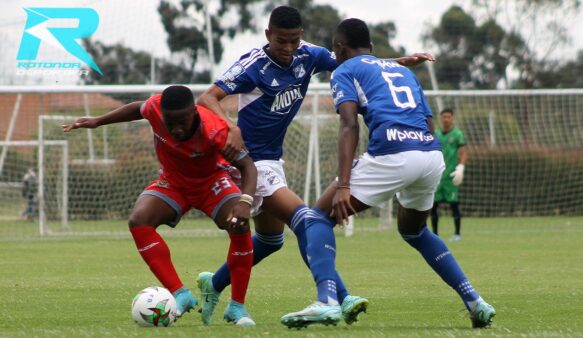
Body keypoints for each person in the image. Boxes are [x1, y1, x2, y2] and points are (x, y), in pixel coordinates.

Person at [197, 5, 434, 326]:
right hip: (250, 161)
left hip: (272, 158)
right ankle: (339, 294)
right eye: (282, 40)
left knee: (270, 240)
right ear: (268, 35)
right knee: (306, 219)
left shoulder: (309, 56)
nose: (289, 47)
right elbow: (207, 98)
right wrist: (231, 127)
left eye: (295, 40)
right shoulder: (253, 64)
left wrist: (400, 62)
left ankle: (213, 285)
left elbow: (356, 63)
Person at [281, 18, 495, 329]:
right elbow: (427, 119)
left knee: (316, 217)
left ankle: (327, 300)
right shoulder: (403, 70)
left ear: (339, 48)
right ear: (370, 46)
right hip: (430, 155)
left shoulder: (344, 70)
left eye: (335, 49)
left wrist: (344, 184)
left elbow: (349, 125)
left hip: (393, 154)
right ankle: (475, 301)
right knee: (415, 230)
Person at [63, 85, 258, 326]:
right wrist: (97, 121)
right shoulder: (155, 107)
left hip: (211, 183)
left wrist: (244, 201)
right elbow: (137, 109)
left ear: (194, 114)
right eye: (170, 121)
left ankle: (237, 307)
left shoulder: (214, 130)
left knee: (239, 225)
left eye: (182, 121)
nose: (175, 128)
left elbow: (248, 166)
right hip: (173, 182)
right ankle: (180, 294)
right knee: (139, 220)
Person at [431, 108, 467, 242]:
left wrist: (461, 167)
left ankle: (457, 234)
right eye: (444, 117)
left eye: (448, 117)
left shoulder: (457, 134)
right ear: (440, 118)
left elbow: (463, 152)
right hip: (437, 176)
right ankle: (435, 235)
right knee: (433, 206)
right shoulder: (436, 134)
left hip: (451, 176)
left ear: (452, 118)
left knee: (454, 205)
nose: (446, 119)